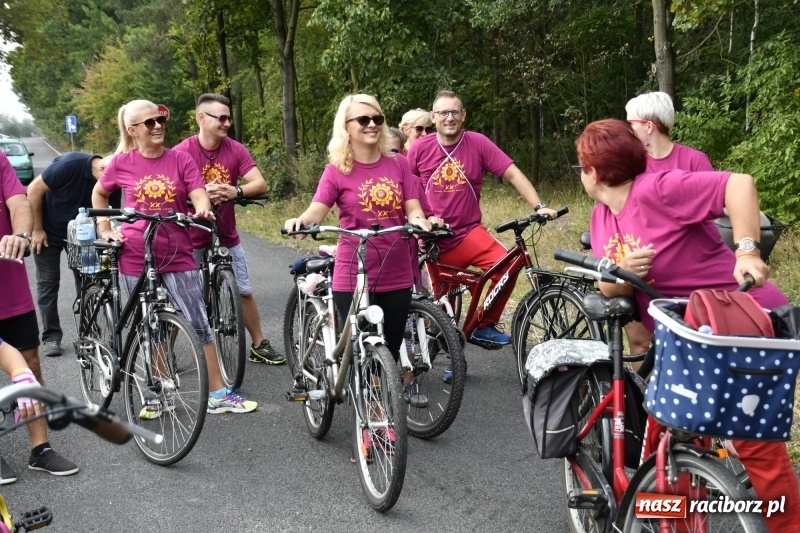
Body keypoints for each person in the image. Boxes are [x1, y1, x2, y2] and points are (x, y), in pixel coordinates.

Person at [577, 118, 800, 532]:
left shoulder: (658, 189)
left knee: (757, 448)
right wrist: (620, 272)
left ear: (591, 171)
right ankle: (677, 523)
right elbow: (610, 287)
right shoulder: (601, 217)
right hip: (685, 339)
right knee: (668, 441)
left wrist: (747, 250)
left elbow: (740, 184)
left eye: (580, 168)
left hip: (739, 322)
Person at [92, 99, 257, 415]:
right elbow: (100, 193)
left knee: (198, 322)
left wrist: (203, 207)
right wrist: (104, 225)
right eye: (149, 123)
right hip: (134, 255)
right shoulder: (121, 163)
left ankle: (219, 394)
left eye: (159, 121)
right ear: (133, 130)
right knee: (150, 324)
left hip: (177, 252)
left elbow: (196, 191)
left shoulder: (181, 159)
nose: (157, 127)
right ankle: (160, 392)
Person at [284, 94, 442, 410]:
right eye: (363, 120)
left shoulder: (398, 163)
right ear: (346, 127)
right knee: (359, 349)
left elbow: (412, 207)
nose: (372, 125)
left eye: (377, 119)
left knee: (389, 347)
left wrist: (420, 222)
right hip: (353, 271)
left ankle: (378, 404)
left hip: (396, 270)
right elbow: (317, 210)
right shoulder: (336, 170)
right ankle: (372, 418)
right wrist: (301, 221)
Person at [406, 89, 557, 353]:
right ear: (434, 116)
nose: (449, 118)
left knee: (507, 264)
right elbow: (405, 188)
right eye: (443, 113)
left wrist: (539, 205)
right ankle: (456, 365)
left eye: (454, 112)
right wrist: (419, 222)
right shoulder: (419, 148)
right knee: (446, 315)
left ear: (463, 115)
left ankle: (485, 325)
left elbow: (512, 173)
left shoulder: (477, 142)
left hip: (469, 232)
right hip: (435, 241)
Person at [173, 93, 286, 366]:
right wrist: (198, 194)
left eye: (228, 118)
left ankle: (259, 344)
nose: (226, 123)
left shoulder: (235, 149)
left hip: (226, 236)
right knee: (178, 297)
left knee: (243, 290)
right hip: (190, 238)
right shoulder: (180, 152)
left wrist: (234, 190)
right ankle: (166, 351)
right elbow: (170, 191)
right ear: (202, 118)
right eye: (220, 118)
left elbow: (260, 184)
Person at [0, 150, 78, 482]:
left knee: (30, 363)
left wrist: (20, 234)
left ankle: (40, 449)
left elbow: (19, 201)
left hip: (9, 286)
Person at [622, 91, 718, 357]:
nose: (627, 131)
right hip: (645, 268)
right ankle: (642, 398)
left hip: (691, 269)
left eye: (631, 124)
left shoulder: (694, 160)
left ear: (649, 126)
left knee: (694, 345)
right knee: (640, 346)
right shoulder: (631, 165)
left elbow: (711, 209)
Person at [27, 153, 120, 357]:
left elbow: (111, 213)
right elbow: (33, 189)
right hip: (48, 230)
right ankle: (51, 336)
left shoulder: (113, 182)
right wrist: (36, 229)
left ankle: (88, 332)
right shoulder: (70, 165)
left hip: (83, 234)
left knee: (88, 280)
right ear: (103, 169)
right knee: (48, 283)